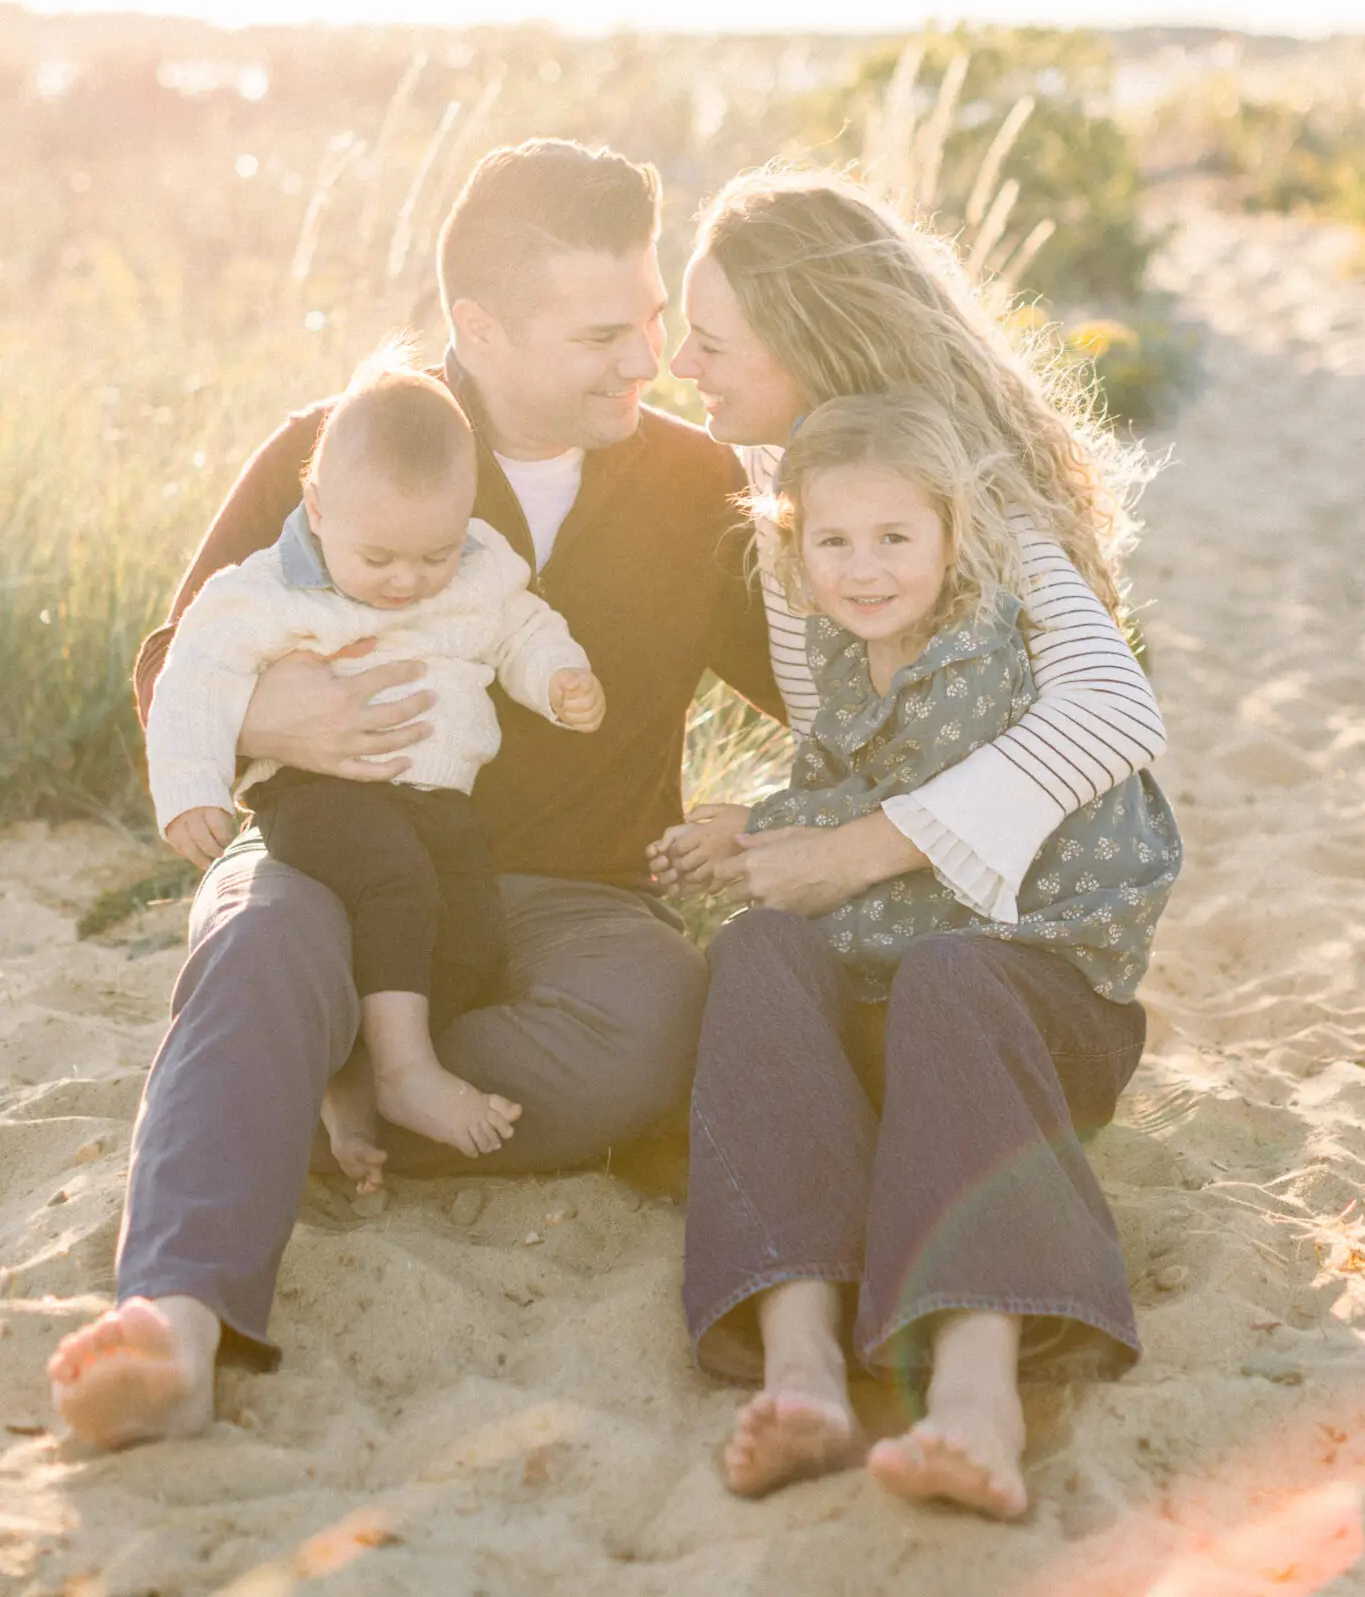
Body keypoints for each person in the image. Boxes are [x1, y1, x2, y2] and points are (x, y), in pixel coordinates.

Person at [49, 137, 785, 1450]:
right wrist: (279, 716)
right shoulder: (334, 449)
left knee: (659, 1018)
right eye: (603, 333)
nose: (645, 360)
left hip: (577, 908)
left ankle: (324, 1091)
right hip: (335, 859)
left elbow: (826, 692)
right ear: (479, 328)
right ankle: (178, 1318)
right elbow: (177, 666)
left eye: (655, 322)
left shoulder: (692, 486)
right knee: (256, 939)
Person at [649, 168, 1175, 1517]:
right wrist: (766, 832)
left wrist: (868, 849)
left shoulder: (969, 498)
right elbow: (840, 756)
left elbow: (1111, 709)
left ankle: (979, 1401)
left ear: (808, 336)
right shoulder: (791, 517)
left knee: (947, 974)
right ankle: (804, 1364)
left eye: (713, 340)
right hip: (887, 975)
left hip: (1015, 992)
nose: (682, 362)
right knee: (763, 950)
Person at [147, 353, 606, 1179]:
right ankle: (406, 1073)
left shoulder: (476, 567)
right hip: (324, 793)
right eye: (381, 558)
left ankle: (356, 1085)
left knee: (466, 931)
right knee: (395, 885)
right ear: (317, 509)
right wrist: (189, 788)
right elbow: (195, 675)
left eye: (432, 555)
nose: (407, 580)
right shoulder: (264, 592)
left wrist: (559, 677)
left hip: (438, 803)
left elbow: (520, 627)